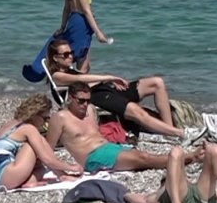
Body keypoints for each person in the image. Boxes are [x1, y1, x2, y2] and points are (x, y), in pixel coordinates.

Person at [45, 39, 197, 140]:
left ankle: (169, 130)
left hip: (106, 89)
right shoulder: (57, 76)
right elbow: (81, 80)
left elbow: (85, 74)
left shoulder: (71, 70)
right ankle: (180, 134)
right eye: (66, 54)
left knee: (157, 82)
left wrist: (88, 40)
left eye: (71, 53)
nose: (70, 57)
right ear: (55, 58)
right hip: (97, 97)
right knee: (136, 111)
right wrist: (109, 77)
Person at [45, 82, 197, 173]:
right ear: (70, 98)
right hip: (92, 158)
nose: (85, 104)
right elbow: (47, 150)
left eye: (88, 100)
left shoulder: (90, 110)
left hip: (110, 148)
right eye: (81, 101)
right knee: (142, 159)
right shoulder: (60, 118)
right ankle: (188, 158)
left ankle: (184, 158)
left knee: (141, 155)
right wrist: (63, 172)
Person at [0, 94, 82, 190]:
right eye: (45, 118)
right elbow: (47, 160)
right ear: (35, 115)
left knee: (40, 166)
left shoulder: (10, 124)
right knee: (37, 142)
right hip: (6, 177)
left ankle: (34, 181)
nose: (45, 123)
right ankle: (62, 176)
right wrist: (71, 167)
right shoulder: (29, 129)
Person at [125, 143, 217, 203]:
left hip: (195, 197)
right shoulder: (158, 197)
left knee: (214, 148)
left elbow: (135, 198)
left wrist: (126, 195)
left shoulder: (155, 197)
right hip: (196, 201)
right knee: (176, 151)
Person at [53, 0, 109, 71]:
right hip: (82, 23)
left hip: (74, 21)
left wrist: (63, 27)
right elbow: (86, 11)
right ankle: (78, 81)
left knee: (79, 57)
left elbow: (67, 9)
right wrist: (98, 33)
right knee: (82, 62)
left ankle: (70, 79)